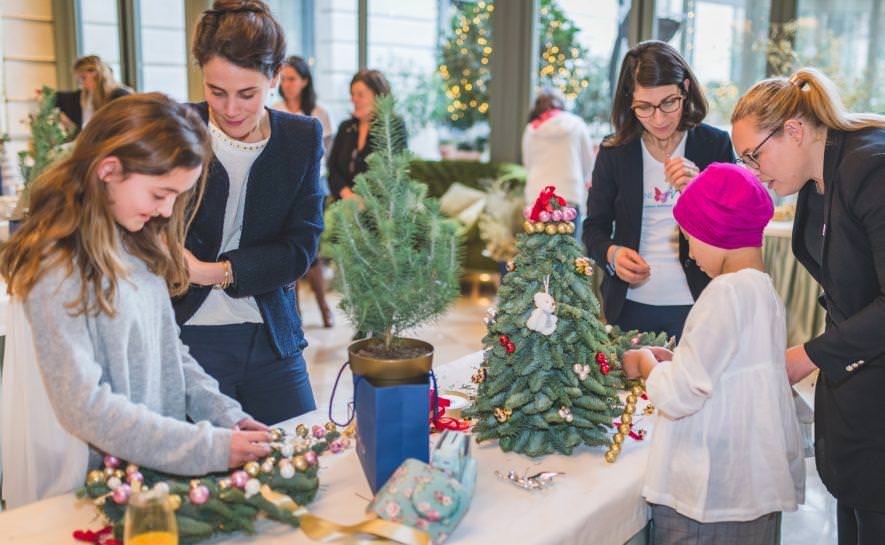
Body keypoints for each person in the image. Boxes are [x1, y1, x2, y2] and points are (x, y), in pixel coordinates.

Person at [0, 93, 271, 509]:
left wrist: (223, 414)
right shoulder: (56, 264)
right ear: (109, 170)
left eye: (175, 198)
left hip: (149, 466)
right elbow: (85, 406)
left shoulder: (136, 237)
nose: (165, 212)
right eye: (160, 194)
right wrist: (207, 447)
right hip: (90, 486)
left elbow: (170, 350)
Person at [731, 67, 885, 544]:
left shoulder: (870, 169)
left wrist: (808, 355)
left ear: (794, 130)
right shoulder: (818, 182)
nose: (755, 172)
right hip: (855, 391)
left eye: (755, 156)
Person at [622, 163, 805, 545]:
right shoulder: (763, 290)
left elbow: (682, 394)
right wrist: (677, 362)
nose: (690, 253)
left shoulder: (724, 293)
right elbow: (729, 371)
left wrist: (645, 366)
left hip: (706, 495)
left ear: (714, 232)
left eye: (689, 239)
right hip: (749, 487)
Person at [176, 0, 324, 425]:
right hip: (186, 336)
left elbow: (300, 248)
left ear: (276, 77)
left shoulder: (301, 137)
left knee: (298, 458)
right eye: (215, 91)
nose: (231, 109)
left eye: (247, 93)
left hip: (272, 337)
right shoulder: (177, 127)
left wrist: (211, 271)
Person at [583, 40, 735, 340]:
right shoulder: (615, 151)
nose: (659, 118)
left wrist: (700, 190)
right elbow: (594, 228)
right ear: (630, 101)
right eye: (645, 107)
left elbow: (737, 228)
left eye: (669, 102)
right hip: (629, 305)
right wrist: (612, 254)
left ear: (686, 89)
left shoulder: (714, 145)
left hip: (699, 303)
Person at [272, 55, 334, 328]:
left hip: (312, 186)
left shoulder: (319, 113)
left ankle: (323, 307)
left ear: (305, 81)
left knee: (312, 250)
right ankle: (294, 311)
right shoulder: (274, 109)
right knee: (289, 249)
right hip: (284, 187)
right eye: (283, 79)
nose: (286, 84)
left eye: (292, 79)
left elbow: (326, 154)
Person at [522, 88, 593, 239]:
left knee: (537, 253)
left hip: (537, 196)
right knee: (568, 253)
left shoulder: (531, 129)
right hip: (568, 195)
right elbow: (588, 162)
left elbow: (528, 163)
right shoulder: (577, 124)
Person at [327, 69, 407, 201]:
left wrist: (365, 201)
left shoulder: (392, 127)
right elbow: (332, 169)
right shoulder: (346, 127)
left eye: (360, 94)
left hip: (380, 209)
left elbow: (394, 172)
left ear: (378, 96)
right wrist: (348, 195)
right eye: (352, 94)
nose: (354, 99)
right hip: (344, 205)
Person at [54, 55, 131, 131]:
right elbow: (57, 98)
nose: (81, 84)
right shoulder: (86, 94)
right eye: (79, 80)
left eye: (83, 78)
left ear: (95, 73)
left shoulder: (119, 95)